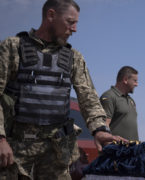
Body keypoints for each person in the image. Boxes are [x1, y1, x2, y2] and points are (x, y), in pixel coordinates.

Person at [0, 0, 127, 179]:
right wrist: (1, 139)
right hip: (15, 151)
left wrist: (100, 129)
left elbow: (88, 96)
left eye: (76, 23)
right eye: (70, 22)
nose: (74, 29)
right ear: (51, 15)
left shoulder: (73, 57)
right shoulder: (13, 48)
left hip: (56, 153)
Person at [100, 66, 139, 141]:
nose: (136, 84)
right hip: (116, 151)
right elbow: (104, 126)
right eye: (135, 81)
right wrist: (110, 148)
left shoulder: (131, 100)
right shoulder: (109, 96)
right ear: (125, 80)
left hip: (132, 151)